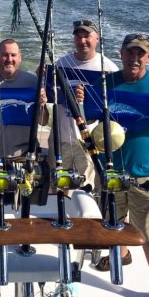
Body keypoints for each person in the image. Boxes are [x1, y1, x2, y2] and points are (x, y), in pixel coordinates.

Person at [76, 33, 149, 297]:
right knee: (114, 220)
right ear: (121, 54)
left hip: (144, 172)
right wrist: (82, 101)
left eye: (140, 54)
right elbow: (88, 118)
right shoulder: (107, 83)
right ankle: (122, 252)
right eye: (130, 52)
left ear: (147, 57)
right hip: (109, 169)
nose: (134, 58)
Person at [0, 38, 49, 190]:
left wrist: (42, 104)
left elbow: (43, 121)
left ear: (20, 57)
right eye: (4, 55)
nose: (9, 59)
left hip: (23, 154)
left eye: (13, 55)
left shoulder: (33, 82)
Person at [48, 20, 118, 188]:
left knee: (86, 190)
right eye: (78, 37)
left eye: (87, 36)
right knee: (58, 188)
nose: (82, 41)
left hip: (89, 143)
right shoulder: (59, 64)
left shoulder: (109, 69)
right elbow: (48, 93)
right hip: (60, 141)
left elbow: (114, 111)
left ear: (97, 39)